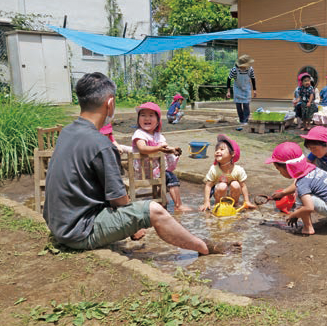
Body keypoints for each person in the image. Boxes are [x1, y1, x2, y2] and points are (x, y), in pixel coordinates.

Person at [43, 72, 236, 254]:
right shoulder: (101, 144)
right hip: (78, 232)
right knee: (153, 210)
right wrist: (133, 223)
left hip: (59, 225)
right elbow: (119, 200)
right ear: (110, 103)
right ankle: (204, 247)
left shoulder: (67, 132)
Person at [266, 142, 327, 235]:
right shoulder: (311, 168)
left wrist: (294, 214)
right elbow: (300, 184)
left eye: (278, 169)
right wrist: (283, 193)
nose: (280, 173)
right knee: (318, 191)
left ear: (287, 167)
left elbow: (308, 207)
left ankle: (308, 228)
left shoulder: (302, 183)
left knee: (300, 196)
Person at [132, 102, 192, 212]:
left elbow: (165, 147)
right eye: (143, 115)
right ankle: (178, 205)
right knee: (171, 178)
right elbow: (143, 148)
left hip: (155, 169)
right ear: (138, 119)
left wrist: (173, 149)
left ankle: (161, 198)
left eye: (151, 115)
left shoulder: (158, 136)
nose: (147, 118)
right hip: (143, 170)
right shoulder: (139, 134)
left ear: (157, 120)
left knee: (166, 175)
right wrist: (159, 148)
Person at [199, 134, 256, 211]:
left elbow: (243, 186)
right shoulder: (214, 169)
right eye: (216, 150)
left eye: (222, 149)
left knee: (235, 184)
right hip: (220, 192)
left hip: (233, 192)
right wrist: (206, 202)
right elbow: (208, 186)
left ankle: (235, 204)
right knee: (222, 186)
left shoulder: (238, 170)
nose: (218, 151)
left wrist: (247, 201)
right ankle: (218, 204)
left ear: (232, 154)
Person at [226, 54, 257, 129]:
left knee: (246, 105)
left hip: (246, 87)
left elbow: (253, 79)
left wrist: (255, 90)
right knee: (238, 105)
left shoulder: (250, 69)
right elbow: (229, 79)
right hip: (237, 88)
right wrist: (228, 91)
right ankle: (241, 120)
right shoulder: (234, 70)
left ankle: (245, 121)